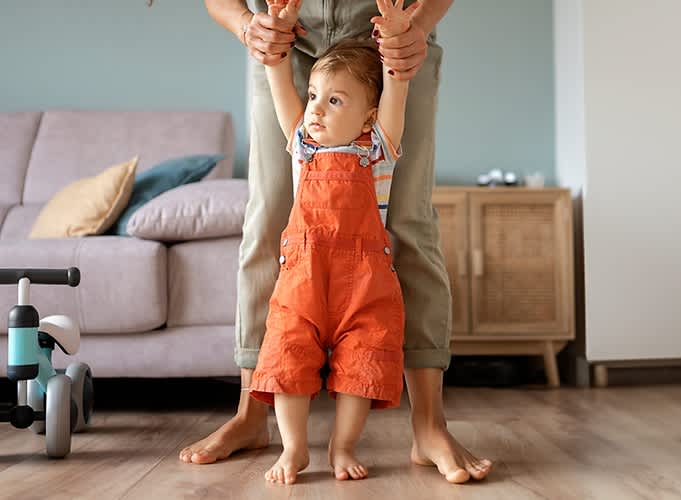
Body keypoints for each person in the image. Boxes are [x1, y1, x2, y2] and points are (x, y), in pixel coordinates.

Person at [183, 0, 492, 484]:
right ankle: (250, 416)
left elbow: (395, 102)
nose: (316, 111)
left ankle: (429, 425)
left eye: (327, 104)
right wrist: (251, 28)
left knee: (409, 225)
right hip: (284, 39)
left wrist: (415, 25)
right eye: (312, 102)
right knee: (266, 225)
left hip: (391, 35)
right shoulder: (301, 138)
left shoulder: (379, 143)